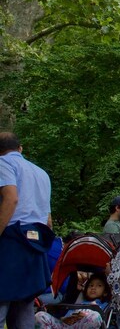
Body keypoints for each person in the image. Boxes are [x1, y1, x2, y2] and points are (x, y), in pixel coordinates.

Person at [0, 131, 54, 329]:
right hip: (36, 243)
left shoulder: (2, 164)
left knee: (2, 300)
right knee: (24, 308)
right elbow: (48, 219)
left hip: (12, 240)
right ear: (20, 149)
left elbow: (11, 198)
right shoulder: (40, 172)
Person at [35, 272, 109, 329]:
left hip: (83, 326)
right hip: (67, 325)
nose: (93, 288)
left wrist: (85, 316)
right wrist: (65, 319)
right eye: (91, 285)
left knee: (95, 316)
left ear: (105, 292)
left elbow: (100, 320)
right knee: (40, 315)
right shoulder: (79, 300)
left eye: (99, 285)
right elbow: (65, 316)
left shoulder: (104, 305)